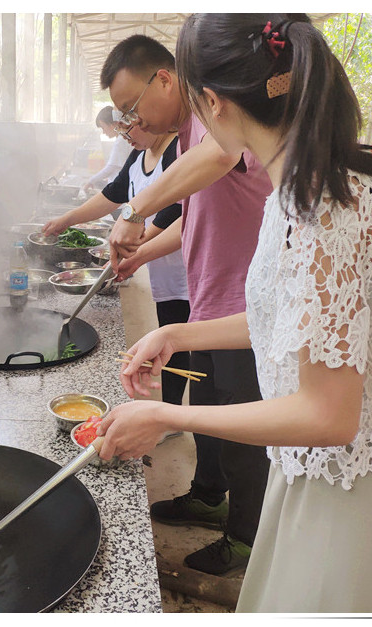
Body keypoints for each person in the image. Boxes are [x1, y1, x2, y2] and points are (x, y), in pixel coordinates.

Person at [98, 14, 372, 613]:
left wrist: (159, 415)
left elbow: (328, 413)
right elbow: (300, 325)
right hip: (324, 474)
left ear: (211, 103)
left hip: (353, 492)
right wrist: (178, 332)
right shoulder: (317, 183)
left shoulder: (322, 207)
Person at [99, 34, 273, 576]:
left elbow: (221, 158)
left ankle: (246, 537)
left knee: (244, 430)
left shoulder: (219, 121)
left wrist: (134, 207)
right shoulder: (185, 138)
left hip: (247, 306)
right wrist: (138, 255)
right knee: (206, 414)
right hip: (207, 300)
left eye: (132, 107)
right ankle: (205, 494)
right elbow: (193, 222)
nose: (133, 122)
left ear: (166, 78)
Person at [44, 126, 191, 409]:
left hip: (189, 272)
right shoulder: (138, 155)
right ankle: (170, 414)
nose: (123, 132)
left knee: (184, 349)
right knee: (172, 343)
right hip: (164, 272)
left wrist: (133, 250)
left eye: (130, 118)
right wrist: (66, 220)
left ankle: (172, 415)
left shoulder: (178, 150)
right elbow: (113, 194)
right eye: (121, 120)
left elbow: (177, 209)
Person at [82, 106, 132, 193]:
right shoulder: (121, 139)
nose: (104, 132)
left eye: (103, 127)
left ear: (113, 124)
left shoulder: (121, 141)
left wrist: (91, 181)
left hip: (119, 190)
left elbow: (111, 167)